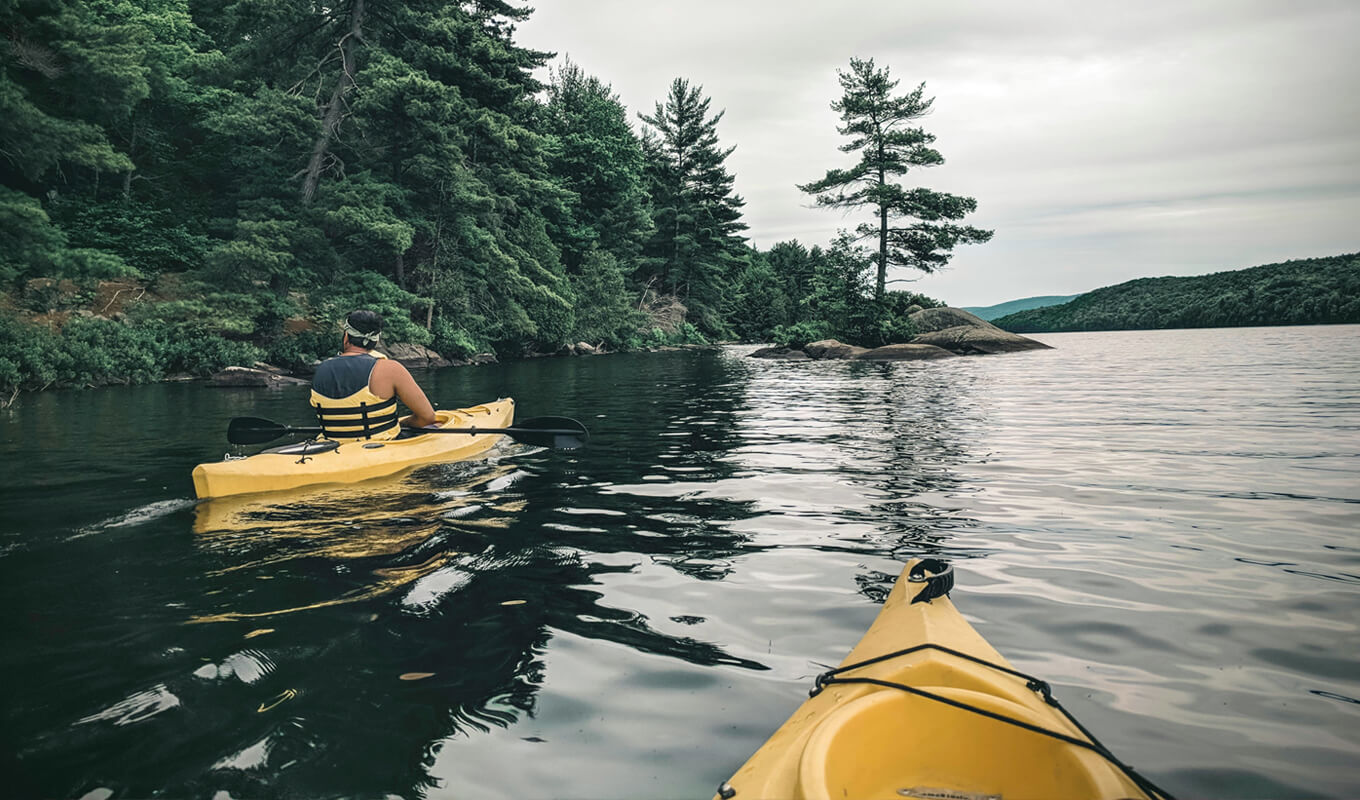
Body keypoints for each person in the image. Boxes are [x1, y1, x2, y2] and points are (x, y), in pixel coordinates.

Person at [309, 310, 438, 440]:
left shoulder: (321, 369)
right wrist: (401, 424)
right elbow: (427, 418)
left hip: (331, 446)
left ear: (346, 337)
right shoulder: (391, 369)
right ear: (376, 341)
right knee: (434, 428)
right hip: (379, 447)